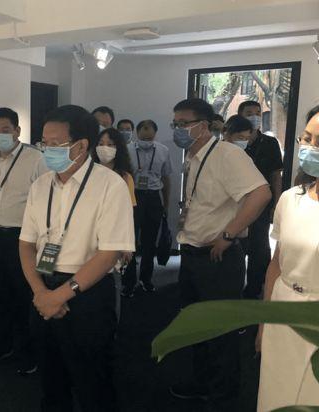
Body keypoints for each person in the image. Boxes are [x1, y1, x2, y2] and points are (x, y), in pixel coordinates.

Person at [19, 105, 135, 412]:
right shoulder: (40, 185)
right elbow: (26, 244)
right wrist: (41, 292)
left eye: (55, 143)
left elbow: (109, 253)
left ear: (81, 145)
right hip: (43, 290)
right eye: (44, 142)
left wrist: (60, 295)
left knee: (93, 380)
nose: (47, 150)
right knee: (50, 378)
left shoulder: (110, 185)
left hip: (88, 294)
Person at [169, 98, 271, 401]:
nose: (178, 129)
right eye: (175, 123)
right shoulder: (193, 156)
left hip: (218, 257)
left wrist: (228, 234)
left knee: (220, 330)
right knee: (195, 325)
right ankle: (202, 382)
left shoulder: (226, 154)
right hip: (192, 252)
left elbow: (261, 193)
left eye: (184, 124)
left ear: (203, 125)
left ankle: (223, 394)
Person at [256, 104, 319, 411]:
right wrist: (263, 323)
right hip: (282, 310)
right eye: (307, 139)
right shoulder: (290, 199)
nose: (310, 147)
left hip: (317, 317)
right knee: (275, 394)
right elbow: (276, 265)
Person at [0, 107, 47, 374]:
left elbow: (46, 202)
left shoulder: (35, 159)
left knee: (24, 296)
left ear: (17, 130)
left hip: (22, 239)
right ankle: (2, 344)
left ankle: (29, 351)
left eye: (5, 130)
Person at [238, 100, 284, 299]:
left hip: (262, 203)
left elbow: (275, 175)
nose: (255, 116)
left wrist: (277, 204)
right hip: (236, 203)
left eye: (258, 112)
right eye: (249, 113)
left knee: (259, 248)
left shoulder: (270, 143)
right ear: (240, 116)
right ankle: (232, 286)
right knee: (236, 246)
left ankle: (254, 289)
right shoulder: (233, 143)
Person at [127, 119, 172, 292]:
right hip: (133, 196)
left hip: (153, 198)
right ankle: (129, 281)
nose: (146, 138)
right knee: (129, 240)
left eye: (149, 135)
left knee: (150, 241)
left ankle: (146, 279)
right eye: (143, 135)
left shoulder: (163, 150)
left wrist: (166, 204)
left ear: (155, 134)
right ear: (137, 133)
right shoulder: (127, 149)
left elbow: (166, 178)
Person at [93, 128, 137, 298]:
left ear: (118, 148)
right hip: (90, 233)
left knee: (110, 282)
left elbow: (128, 214)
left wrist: (126, 245)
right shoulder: (88, 173)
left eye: (110, 144)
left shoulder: (125, 177)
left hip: (113, 235)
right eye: (101, 143)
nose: (105, 148)